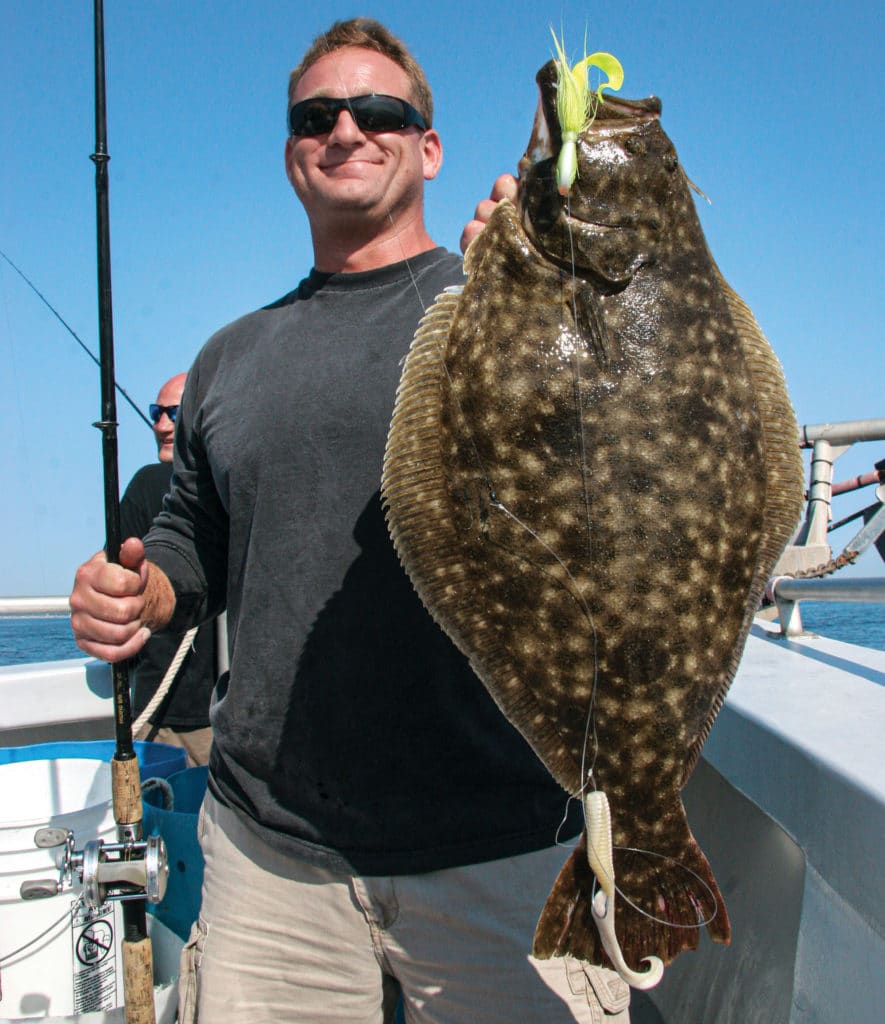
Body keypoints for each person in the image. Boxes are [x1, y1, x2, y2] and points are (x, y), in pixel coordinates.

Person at [69, 18, 630, 1024]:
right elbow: (194, 541)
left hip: (507, 842)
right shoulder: (230, 359)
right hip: (271, 857)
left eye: (380, 112)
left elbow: (620, 450)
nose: (346, 129)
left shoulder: (509, 295)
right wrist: (140, 589)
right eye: (316, 114)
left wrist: (557, 276)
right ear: (291, 149)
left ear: (429, 148)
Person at [118, 372, 215, 767]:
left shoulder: (148, 483)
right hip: (164, 711)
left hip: (213, 717)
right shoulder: (148, 485)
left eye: (173, 414)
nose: (161, 424)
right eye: (156, 413)